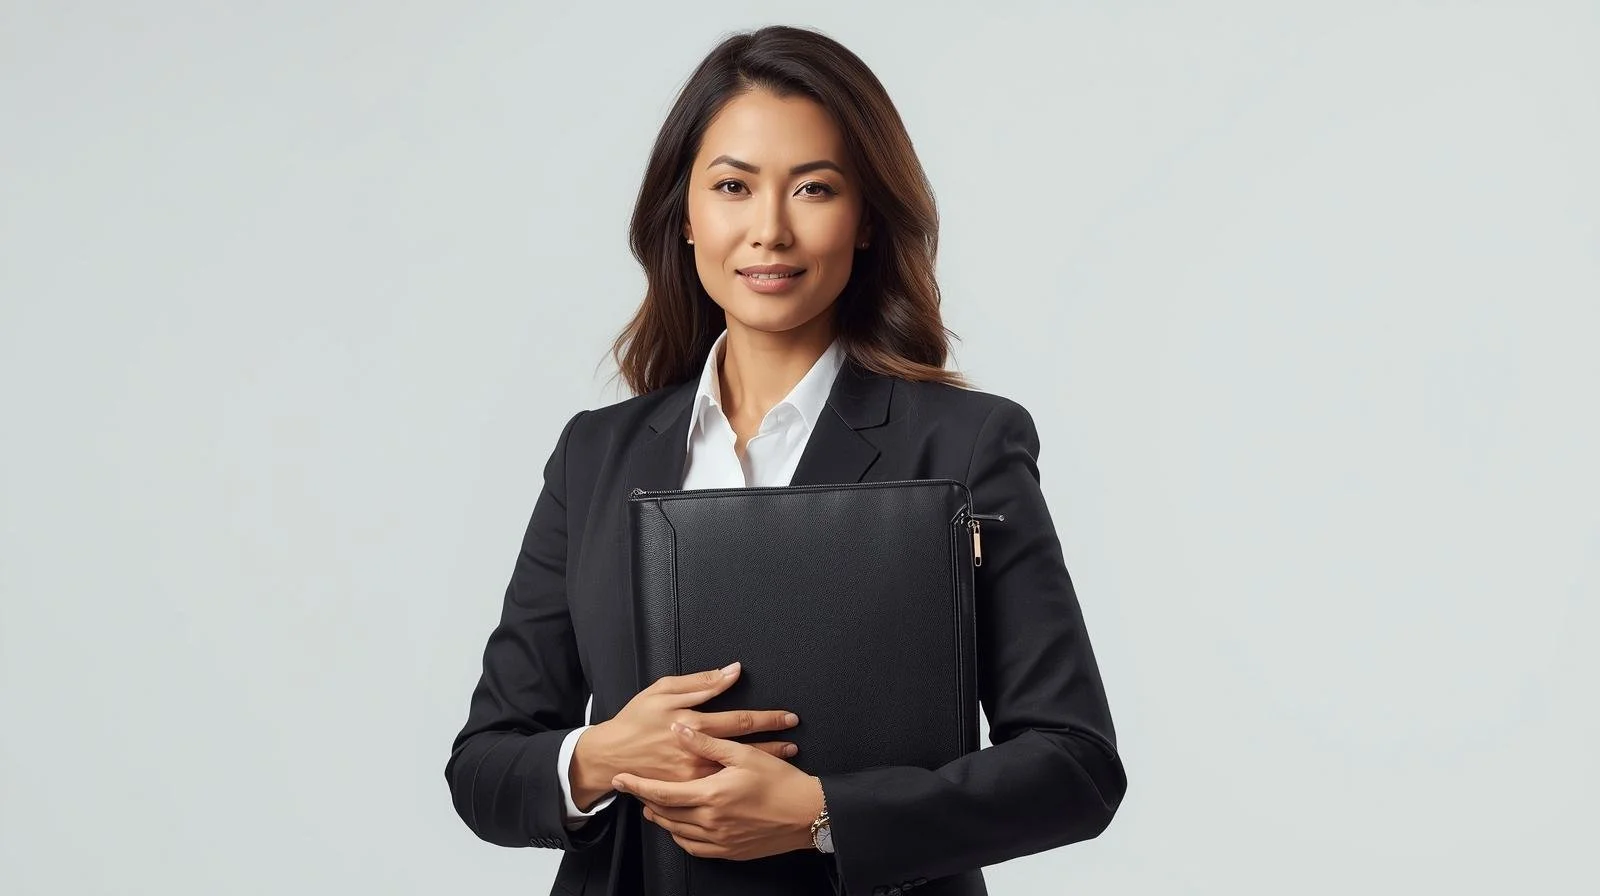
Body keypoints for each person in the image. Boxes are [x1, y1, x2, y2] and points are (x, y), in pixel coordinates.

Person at [444, 24, 1126, 896]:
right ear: (684, 216)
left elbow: (1075, 768)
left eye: (813, 188)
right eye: (733, 186)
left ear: (867, 217)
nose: (769, 230)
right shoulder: (595, 454)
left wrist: (824, 815)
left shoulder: (965, 446)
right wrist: (599, 755)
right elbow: (486, 769)